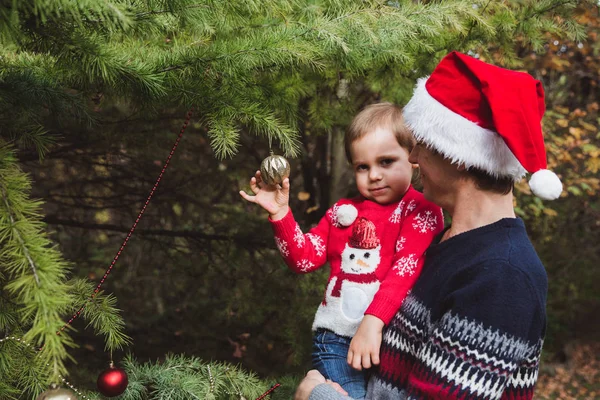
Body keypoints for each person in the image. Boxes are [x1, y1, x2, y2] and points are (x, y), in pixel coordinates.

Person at [295, 51, 562, 400]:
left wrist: (319, 397)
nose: (414, 158)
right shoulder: (442, 244)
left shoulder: (501, 276)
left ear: (460, 156)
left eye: (422, 145)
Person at [240, 103, 443, 398]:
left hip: (394, 345)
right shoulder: (343, 213)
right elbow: (303, 258)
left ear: (412, 158)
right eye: (363, 166)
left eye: (386, 161)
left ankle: (313, 390)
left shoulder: (421, 210)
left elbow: (406, 268)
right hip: (338, 342)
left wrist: (373, 322)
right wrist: (280, 214)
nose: (374, 175)